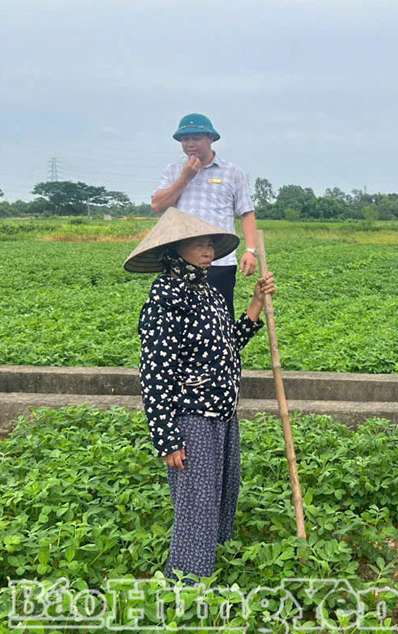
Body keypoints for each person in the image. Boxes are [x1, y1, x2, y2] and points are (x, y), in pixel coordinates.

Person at [123, 207, 276, 582]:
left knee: (222, 492)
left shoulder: (208, 293)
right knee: (197, 503)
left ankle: (211, 569)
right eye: (198, 245)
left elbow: (227, 345)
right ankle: (185, 587)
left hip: (222, 413)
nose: (208, 251)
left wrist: (255, 303)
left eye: (210, 244)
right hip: (191, 418)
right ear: (174, 250)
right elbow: (155, 372)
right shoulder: (165, 297)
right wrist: (166, 438)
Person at [151, 113, 258, 317]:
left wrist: (251, 251)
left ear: (211, 138)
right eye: (185, 139)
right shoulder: (173, 170)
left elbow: (246, 213)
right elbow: (157, 205)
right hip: (181, 263)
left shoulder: (232, 172)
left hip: (220, 262)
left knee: (220, 318)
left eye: (196, 138)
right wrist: (185, 177)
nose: (190, 143)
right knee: (179, 319)